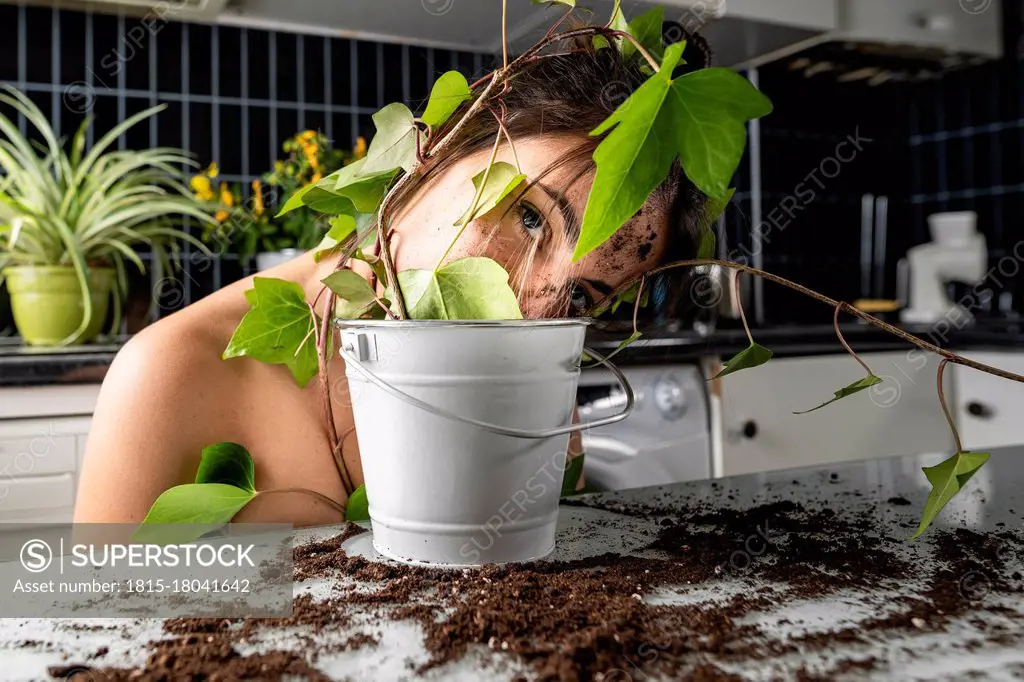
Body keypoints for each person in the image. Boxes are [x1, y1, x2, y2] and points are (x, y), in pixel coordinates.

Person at [74, 35, 711, 526]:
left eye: (579, 295)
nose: (525, 307)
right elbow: (95, 639)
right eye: (530, 217)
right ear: (434, 150)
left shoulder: (534, 412)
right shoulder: (170, 374)